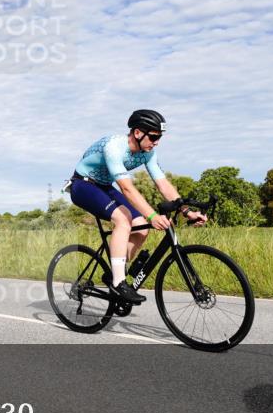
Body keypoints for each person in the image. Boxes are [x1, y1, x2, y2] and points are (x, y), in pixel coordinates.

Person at [68, 109, 207, 304]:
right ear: (138, 133)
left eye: (159, 137)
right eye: (154, 137)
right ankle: (119, 283)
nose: (156, 142)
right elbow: (127, 188)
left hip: (105, 186)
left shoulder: (147, 153)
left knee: (141, 227)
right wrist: (153, 216)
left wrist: (187, 211)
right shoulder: (114, 146)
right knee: (123, 218)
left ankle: (116, 271)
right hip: (83, 185)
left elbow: (163, 184)